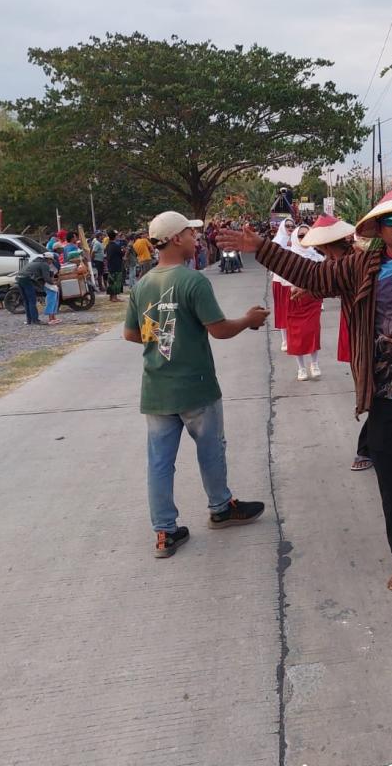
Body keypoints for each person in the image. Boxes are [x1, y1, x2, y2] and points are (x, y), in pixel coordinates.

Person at [217, 190, 392, 592]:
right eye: (391, 220)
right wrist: (261, 248)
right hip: (385, 395)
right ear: (378, 230)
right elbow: (313, 277)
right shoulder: (357, 267)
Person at [123, 210, 270, 558]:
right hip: (196, 386)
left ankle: (165, 532)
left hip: (156, 388)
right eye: (190, 234)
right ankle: (221, 508)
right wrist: (249, 320)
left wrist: (163, 336)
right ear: (176, 239)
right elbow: (218, 329)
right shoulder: (193, 281)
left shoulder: (143, 284)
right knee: (210, 450)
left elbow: (131, 333)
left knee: (159, 462)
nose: (196, 239)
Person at [301, 213, 372, 472]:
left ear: (330, 246)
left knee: (374, 392)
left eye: (323, 250)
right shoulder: (344, 259)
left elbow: (332, 282)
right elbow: (329, 283)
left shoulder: (357, 259)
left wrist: (310, 289)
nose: (324, 256)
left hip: (371, 332)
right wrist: (310, 289)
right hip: (355, 327)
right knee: (372, 392)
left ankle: (367, 448)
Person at [285, 224, 323, 382]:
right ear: (295, 237)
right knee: (297, 334)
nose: (304, 239)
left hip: (313, 298)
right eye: (301, 236)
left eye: (307, 236)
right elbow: (282, 278)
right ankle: (301, 368)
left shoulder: (317, 256)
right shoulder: (289, 257)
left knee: (313, 331)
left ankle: (314, 364)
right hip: (295, 297)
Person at [270, 219, 295, 353]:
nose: (290, 228)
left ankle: (292, 337)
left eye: (292, 226)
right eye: (287, 226)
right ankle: (284, 339)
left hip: (293, 282)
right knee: (281, 310)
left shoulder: (297, 240)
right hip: (279, 280)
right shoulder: (277, 242)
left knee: (292, 311)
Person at [15, 254, 52, 325]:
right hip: (26, 279)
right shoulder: (44, 264)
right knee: (32, 300)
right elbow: (46, 278)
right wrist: (53, 284)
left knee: (26, 300)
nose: (51, 262)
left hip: (19, 278)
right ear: (48, 259)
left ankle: (29, 320)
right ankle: (35, 320)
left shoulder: (34, 262)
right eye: (51, 260)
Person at [105, 229, 125, 301]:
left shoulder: (108, 245)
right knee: (116, 281)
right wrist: (124, 250)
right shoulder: (116, 246)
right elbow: (121, 255)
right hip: (116, 265)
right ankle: (114, 297)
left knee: (111, 281)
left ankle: (111, 297)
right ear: (115, 236)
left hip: (110, 265)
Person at [43, 252, 61, 324]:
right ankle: (50, 318)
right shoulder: (44, 266)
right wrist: (53, 282)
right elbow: (47, 278)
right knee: (51, 300)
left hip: (50, 284)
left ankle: (53, 317)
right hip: (47, 284)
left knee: (55, 300)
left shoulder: (49, 265)